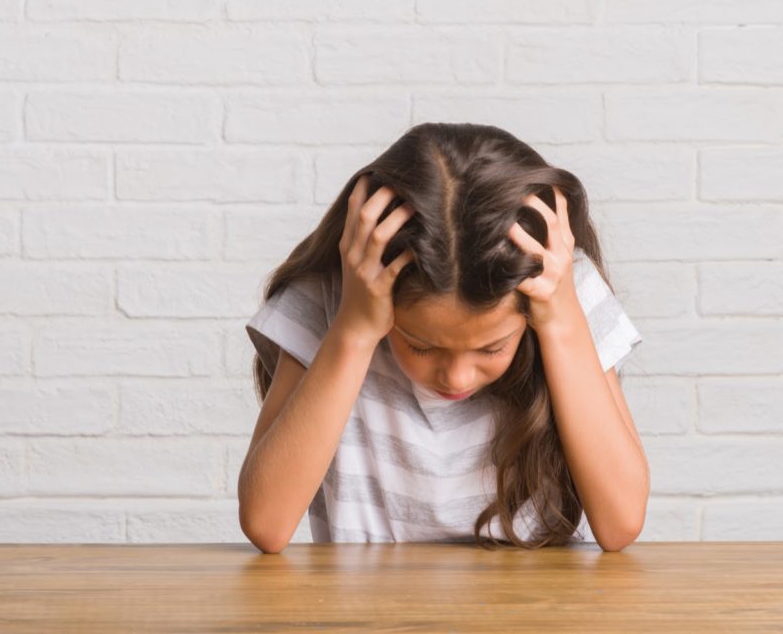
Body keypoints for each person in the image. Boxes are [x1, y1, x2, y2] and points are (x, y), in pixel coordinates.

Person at [237, 122, 646, 553]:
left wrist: (561, 323)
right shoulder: (335, 300)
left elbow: (620, 524)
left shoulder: (563, 294)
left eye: (492, 347)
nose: (456, 377)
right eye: (420, 344)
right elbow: (267, 523)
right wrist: (354, 330)